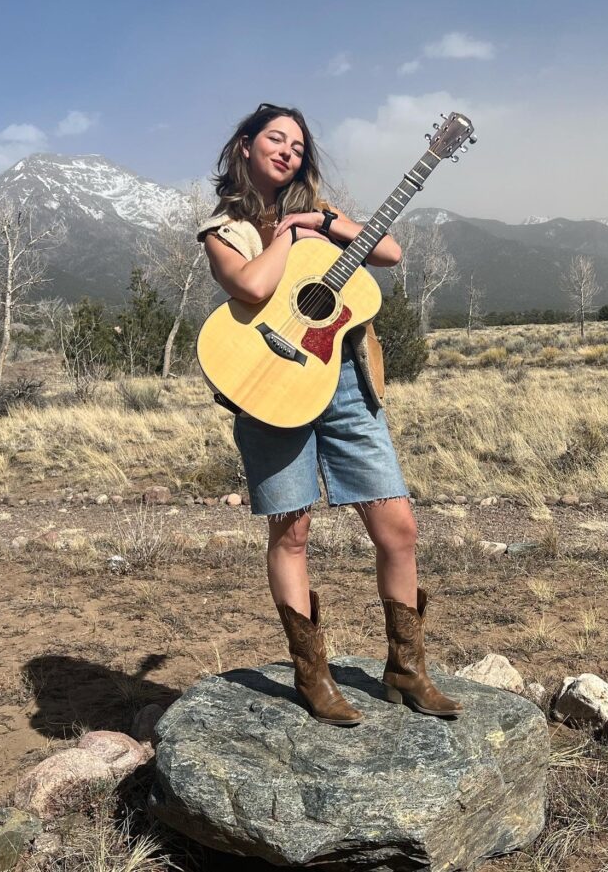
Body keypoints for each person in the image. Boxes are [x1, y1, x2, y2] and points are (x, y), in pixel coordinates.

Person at [197, 103, 462, 725]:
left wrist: (320, 220)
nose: (288, 151)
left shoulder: (322, 218)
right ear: (244, 145)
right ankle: (313, 676)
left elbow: (389, 252)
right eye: (275, 138)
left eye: (298, 144)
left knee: (397, 526)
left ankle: (407, 668)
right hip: (269, 384)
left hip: (345, 382)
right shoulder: (223, 228)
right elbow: (255, 289)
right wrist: (289, 234)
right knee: (292, 533)